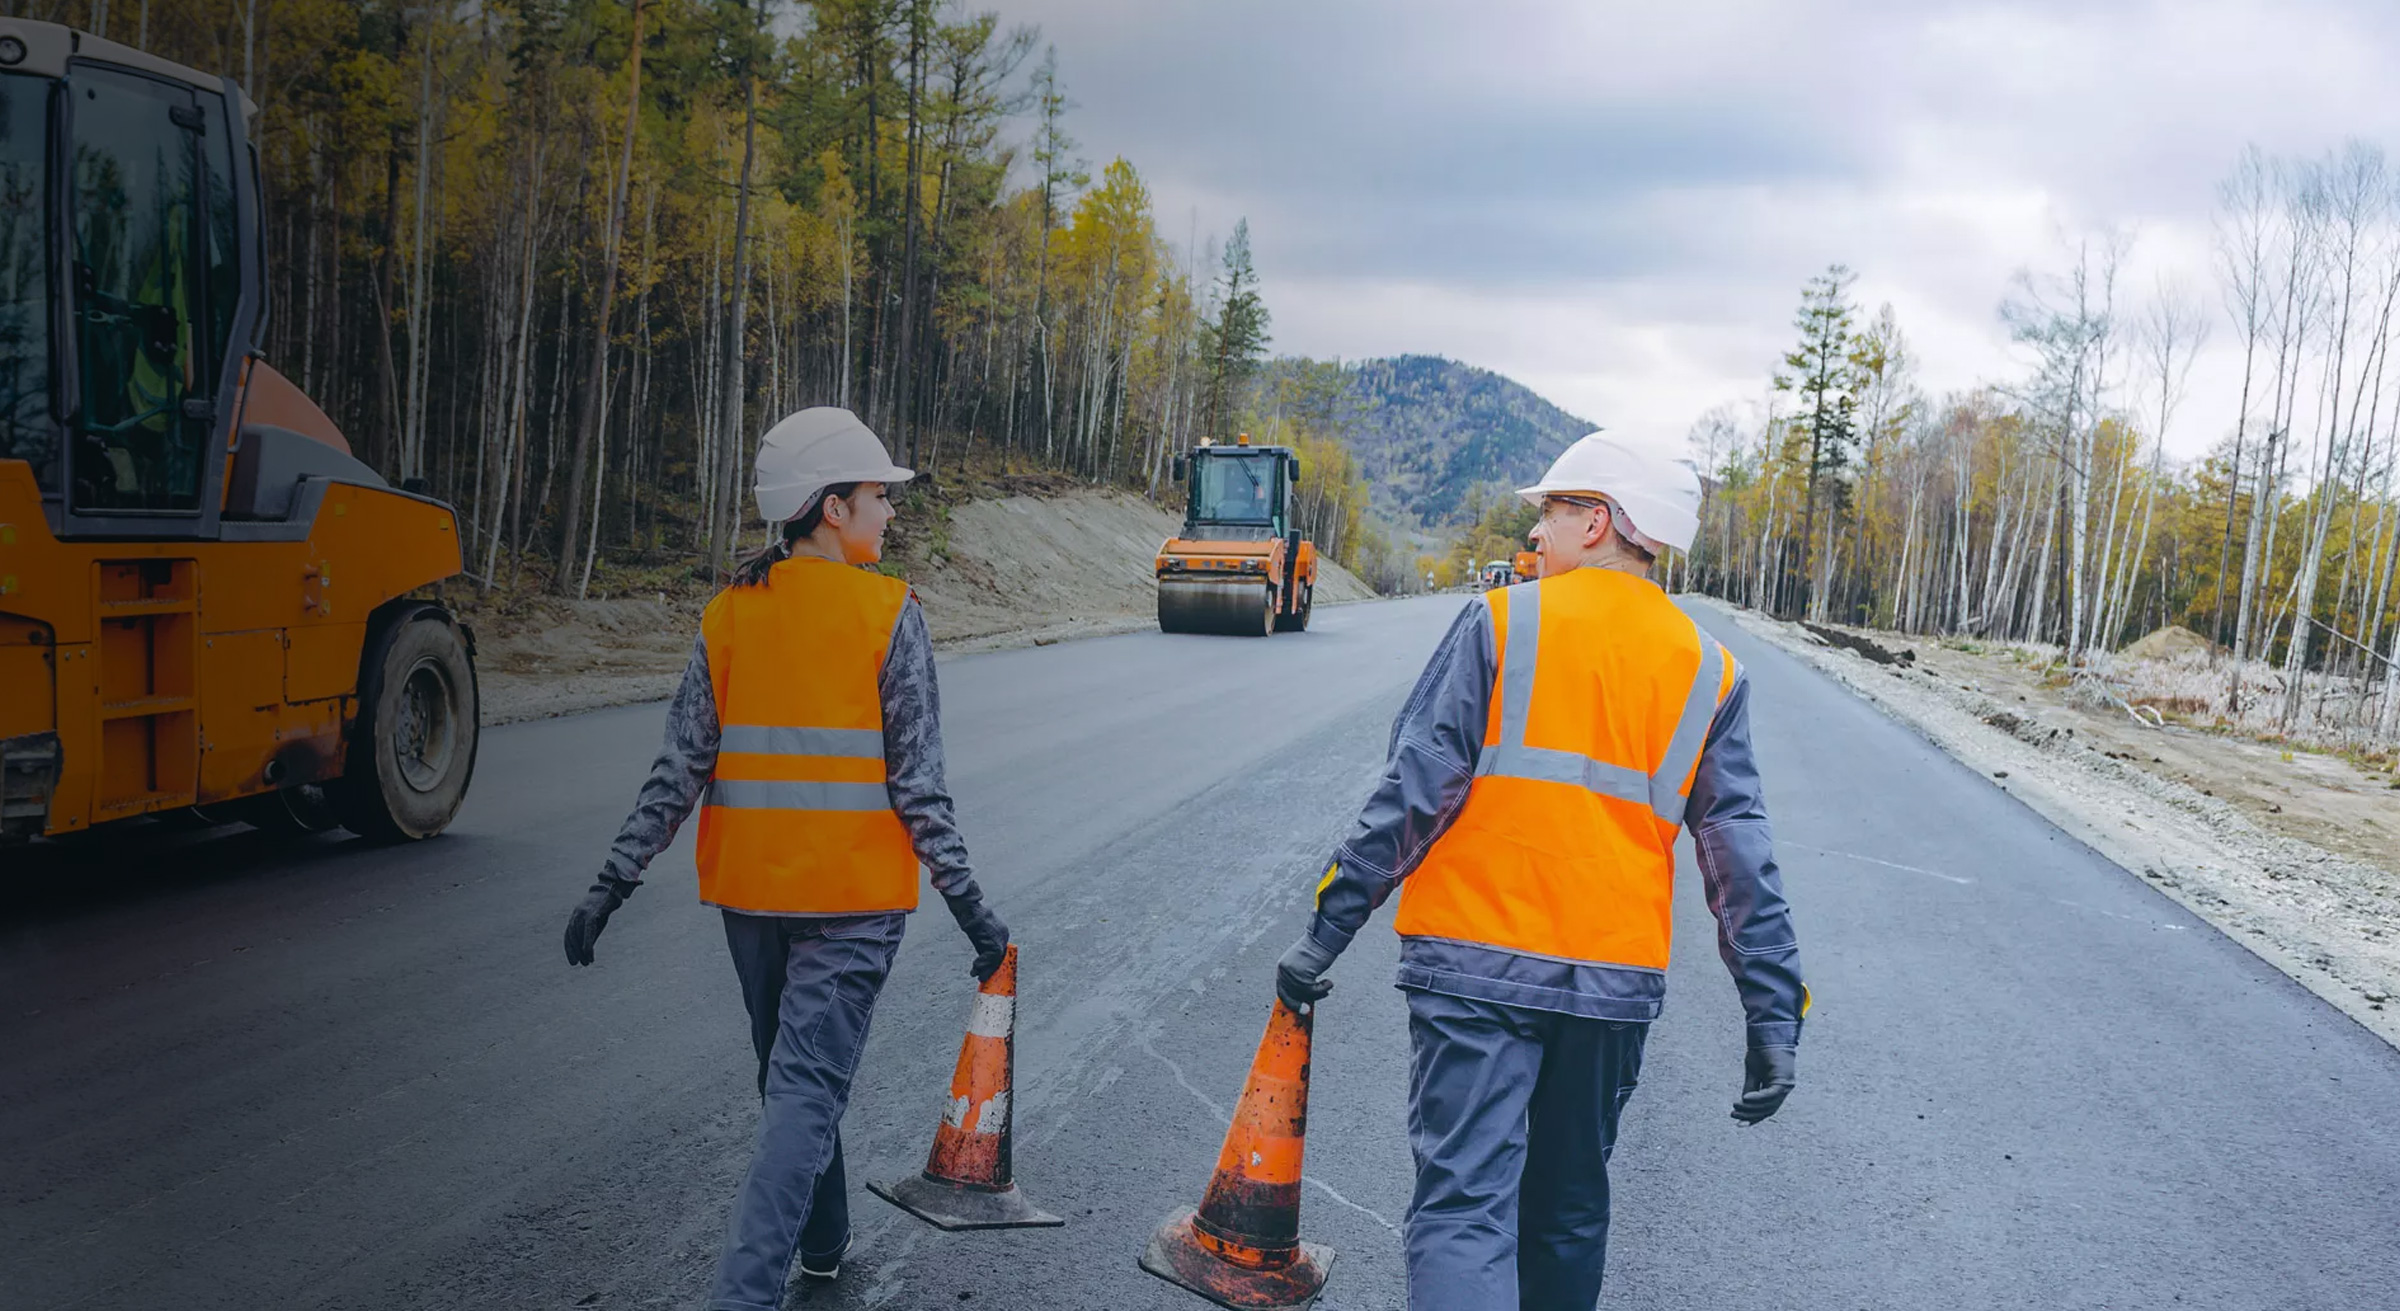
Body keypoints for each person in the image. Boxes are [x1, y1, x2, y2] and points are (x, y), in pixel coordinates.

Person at [1272, 432, 1807, 1310]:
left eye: (1551, 514)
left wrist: (1324, 930)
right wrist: (1773, 1014)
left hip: (1473, 963)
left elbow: (1412, 788)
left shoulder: (1502, 621)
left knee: (1462, 1210)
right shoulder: (1709, 669)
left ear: (1597, 521)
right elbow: (1739, 850)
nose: (1539, 537)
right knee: (1566, 1211)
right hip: (1611, 984)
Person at [560, 407, 1012, 1311]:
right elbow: (920, 787)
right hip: (851, 908)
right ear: (831, 509)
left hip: (754, 906)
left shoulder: (730, 614)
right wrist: (974, 908)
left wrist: (613, 879)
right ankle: (743, 1293)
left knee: (793, 1079)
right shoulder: (890, 615)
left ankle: (823, 1235)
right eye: (879, 496)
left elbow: (678, 766)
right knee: (802, 1087)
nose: (890, 512)